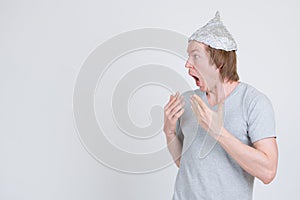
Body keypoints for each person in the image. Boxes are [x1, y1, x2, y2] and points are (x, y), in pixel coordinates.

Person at [163, 11, 278, 200]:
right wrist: (168, 132)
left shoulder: (253, 102)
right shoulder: (188, 101)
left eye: (195, 56)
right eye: (188, 56)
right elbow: (186, 164)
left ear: (219, 62)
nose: (187, 64)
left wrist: (218, 132)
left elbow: (268, 172)